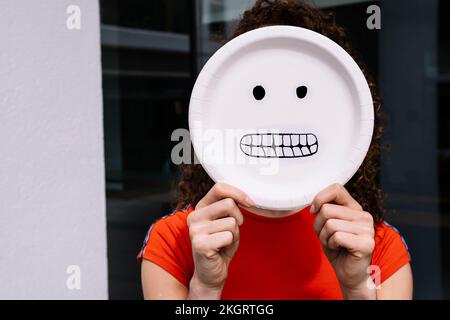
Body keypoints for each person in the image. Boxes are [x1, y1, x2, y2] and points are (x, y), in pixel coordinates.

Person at [138, 0, 413, 300]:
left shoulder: (374, 245)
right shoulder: (176, 240)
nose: (280, 115)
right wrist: (205, 288)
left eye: (302, 93)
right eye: (258, 92)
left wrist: (358, 288)